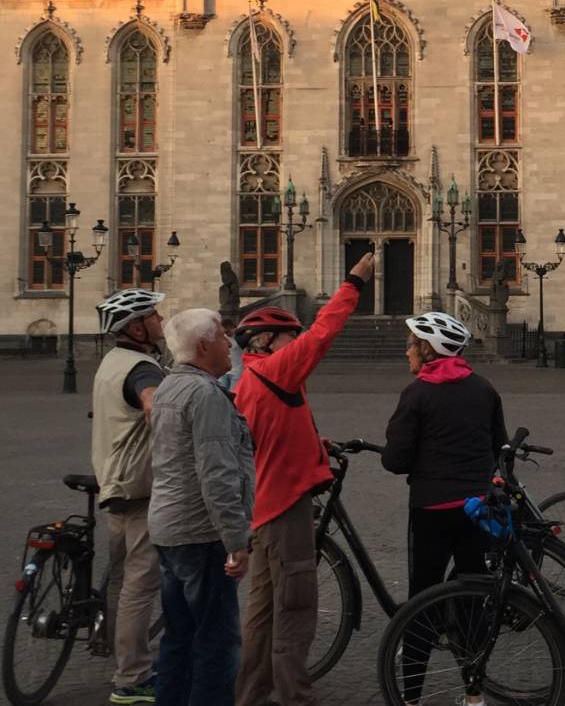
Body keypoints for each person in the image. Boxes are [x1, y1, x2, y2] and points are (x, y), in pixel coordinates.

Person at [234, 253, 375, 706]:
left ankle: (250, 694)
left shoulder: (252, 381)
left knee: (261, 612)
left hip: (263, 508)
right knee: (295, 610)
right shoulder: (275, 370)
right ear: (268, 341)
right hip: (283, 508)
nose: (295, 345)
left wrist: (318, 446)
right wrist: (353, 282)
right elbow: (322, 333)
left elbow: (275, 430)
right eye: (288, 338)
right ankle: (296, 697)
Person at [148, 310, 255, 706]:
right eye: (224, 338)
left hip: (169, 528)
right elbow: (217, 474)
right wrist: (236, 540)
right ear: (204, 346)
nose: (231, 344)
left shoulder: (168, 387)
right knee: (217, 645)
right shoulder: (205, 394)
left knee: (178, 638)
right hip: (200, 533)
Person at [382, 311, 508, 600]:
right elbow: (499, 445)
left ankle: (417, 645)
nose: (406, 352)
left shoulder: (417, 394)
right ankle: (471, 642)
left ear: (427, 350)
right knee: (474, 584)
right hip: (477, 505)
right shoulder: (484, 388)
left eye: (411, 344)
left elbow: (395, 461)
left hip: (433, 506)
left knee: (425, 592)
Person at [92, 288, 167, 706]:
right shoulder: (143, 369)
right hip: (140, 489)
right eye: (154, 316)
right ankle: (132, 677)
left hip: (113, 484)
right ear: (137, 327)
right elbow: (156, 404)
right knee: (140, 584)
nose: (161, 321)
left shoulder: (111, 362)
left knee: (121, 580)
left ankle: (122, 655)